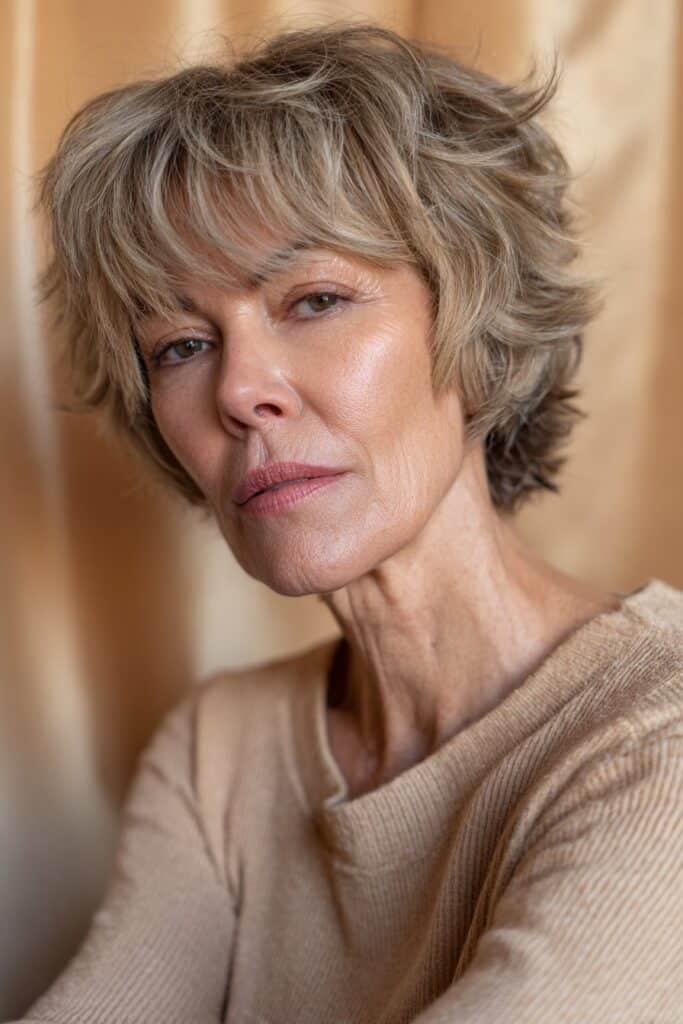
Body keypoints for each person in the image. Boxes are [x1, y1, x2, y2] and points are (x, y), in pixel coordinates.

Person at [13, 21, 683, 1024]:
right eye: (182, 345)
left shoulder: (653, 732)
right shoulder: (222, 750)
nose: (239, 389)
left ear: (472, 323)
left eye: (314, 298)